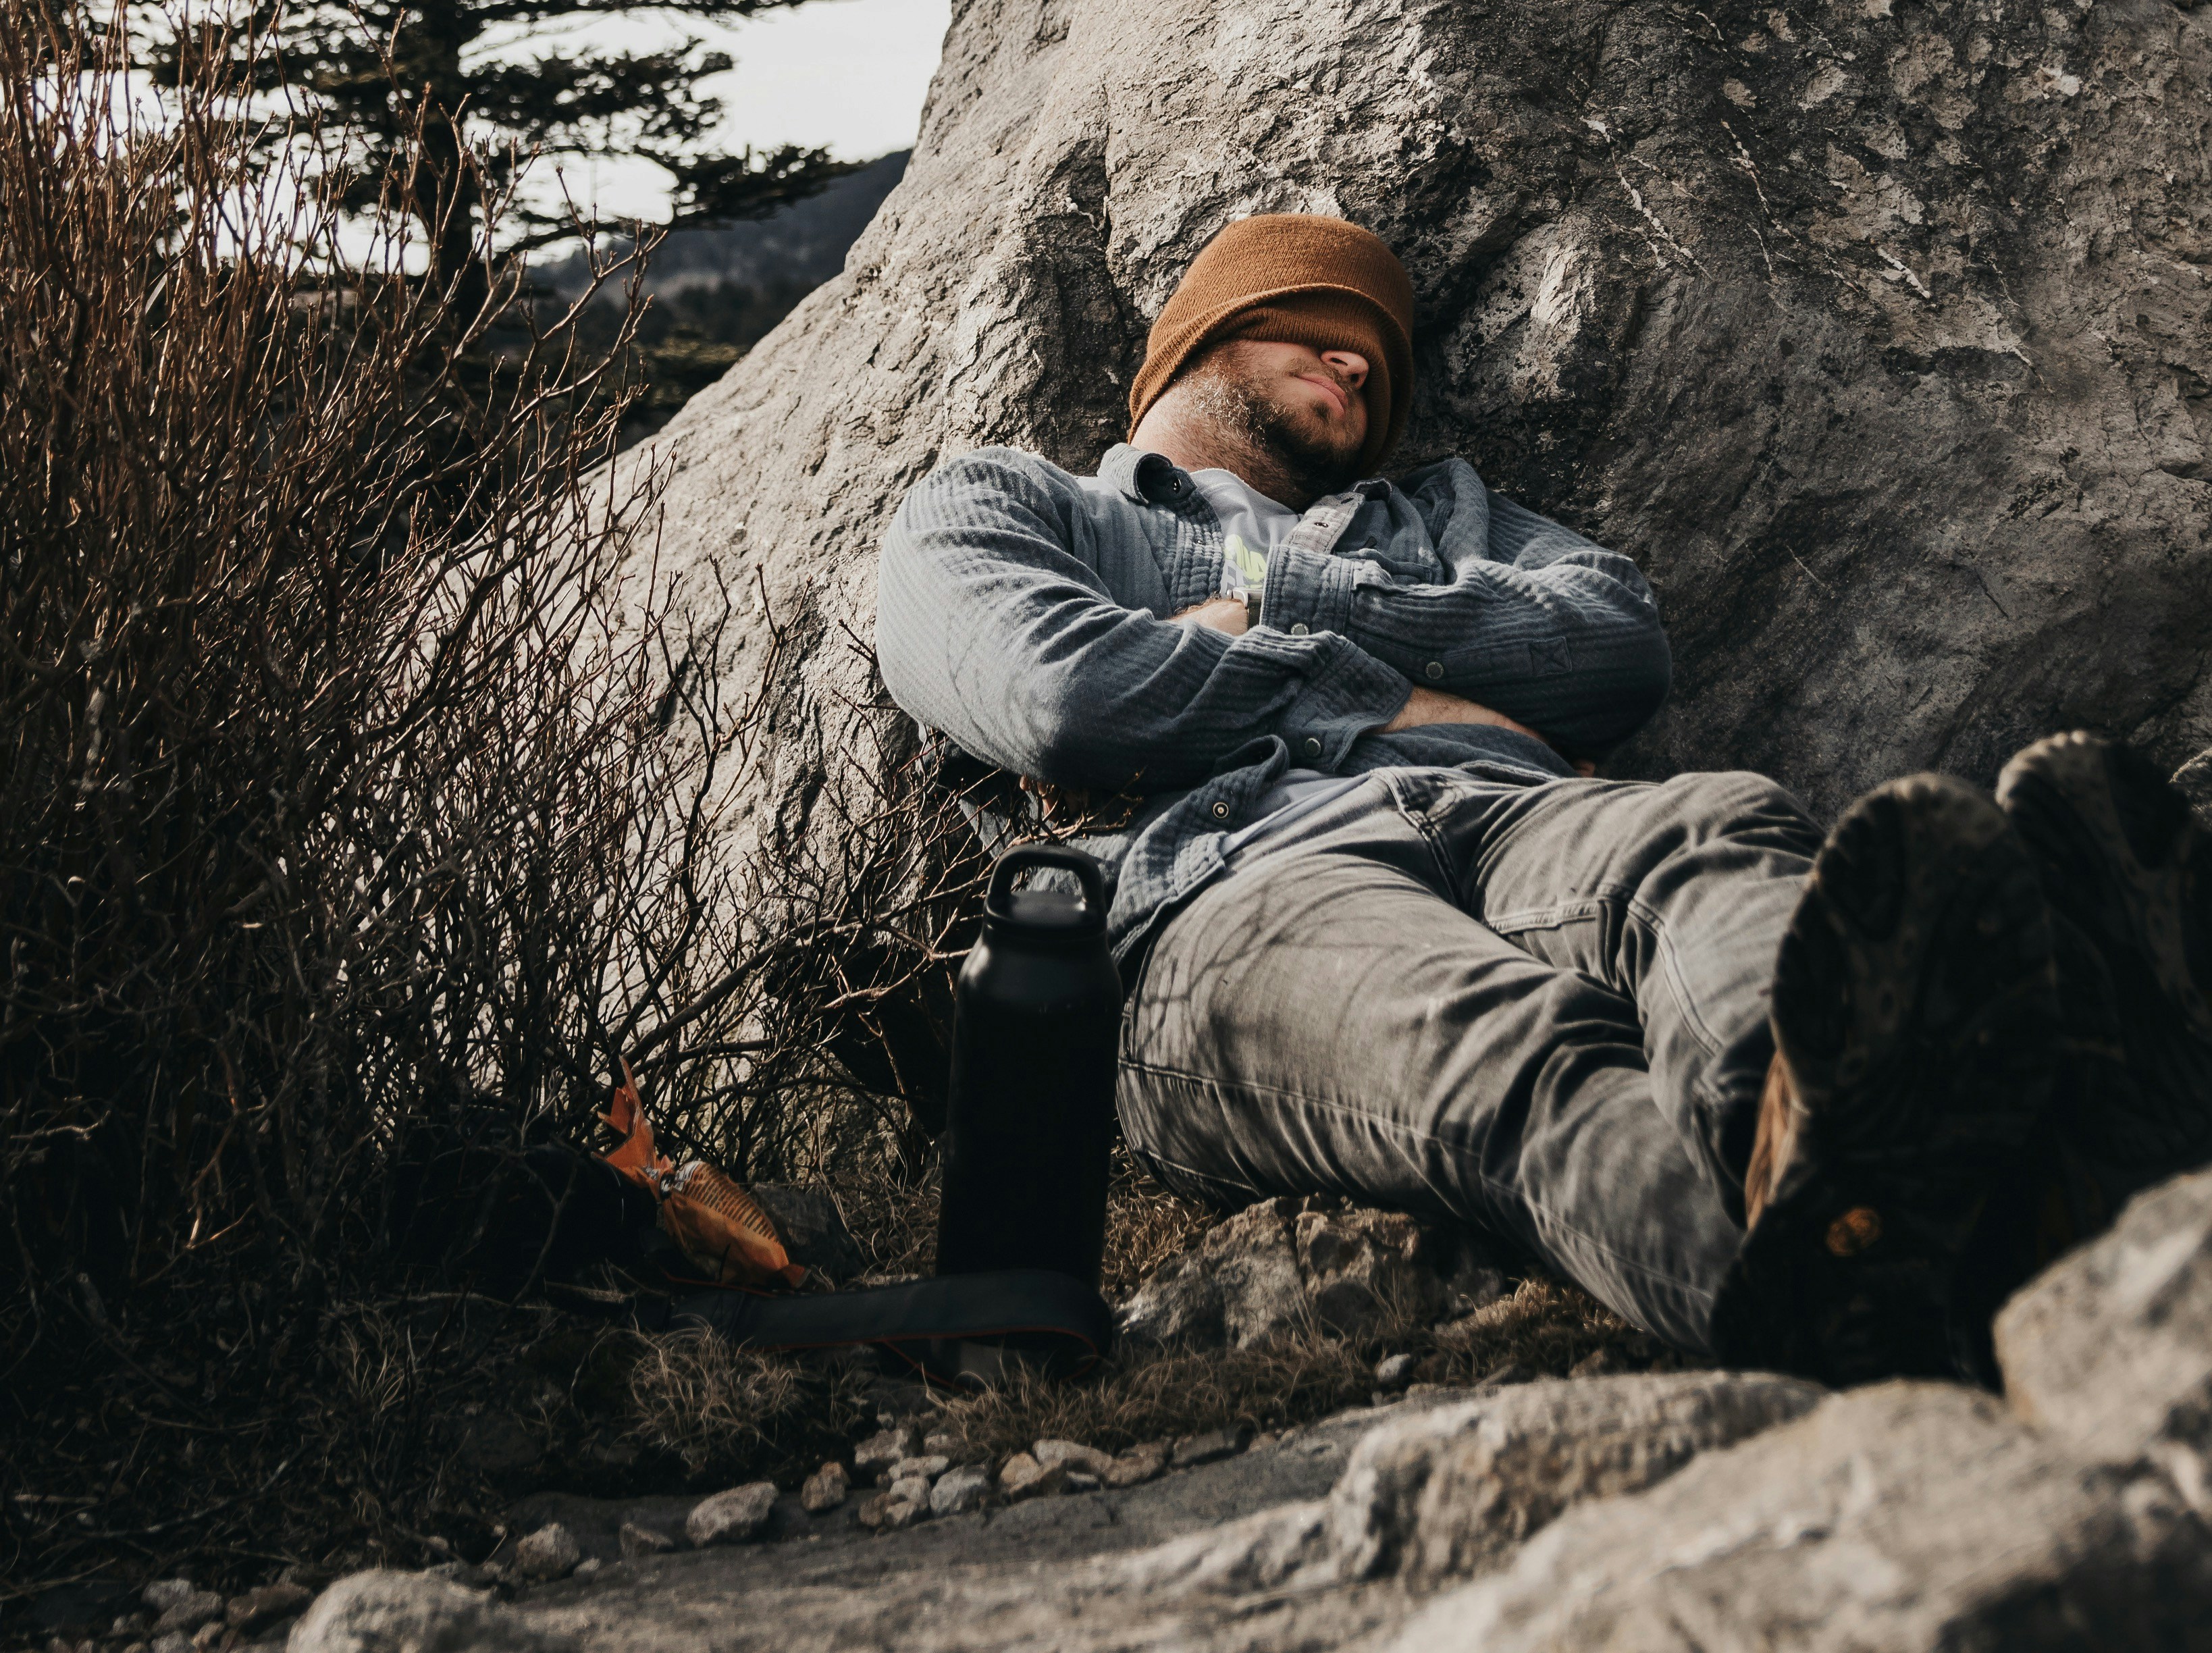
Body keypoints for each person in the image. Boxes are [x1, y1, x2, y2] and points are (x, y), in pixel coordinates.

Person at [876, 213, 2212, 1378]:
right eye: (1322, 328)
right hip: (1216, 896)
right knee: (1518, 1046)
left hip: (1514, 815)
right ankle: (1871, 1280)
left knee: (1708, 823)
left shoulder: (1447, 515)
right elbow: (1061, 695)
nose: (1357, 363)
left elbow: (1614, 645)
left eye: (1378, 362)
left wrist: (1287, 602)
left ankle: (1821, 1139)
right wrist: (1400, 692)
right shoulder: (1014, 502)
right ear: (1203, 334)